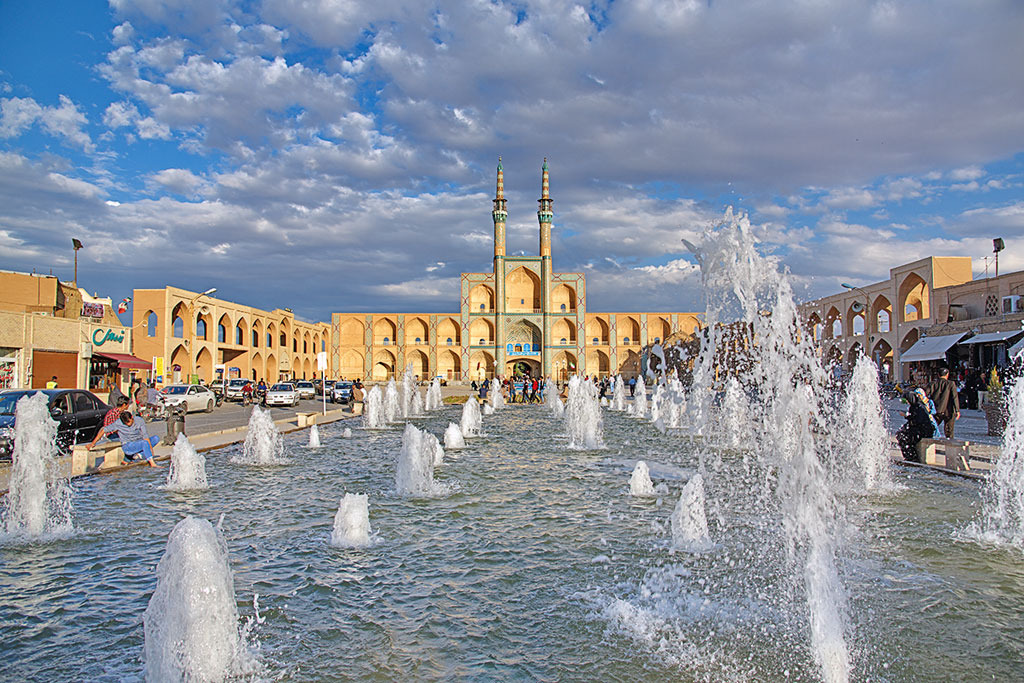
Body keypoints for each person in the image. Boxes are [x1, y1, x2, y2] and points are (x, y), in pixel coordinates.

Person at [896, 388, 937, 462]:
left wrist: (907, 417)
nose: (907, 403)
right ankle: (909, 455)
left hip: (924, 430)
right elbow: (913, 419)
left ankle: (912, 456)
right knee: (902, 434)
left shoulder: (919, 407)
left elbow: (918, 420)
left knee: (906, 437)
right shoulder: (915, 406)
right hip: (920, 428)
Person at [926, 366, 960, 439]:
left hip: (936, 409)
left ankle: (929, 444)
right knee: (949, 431)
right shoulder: (951, 384)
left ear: (938, 375)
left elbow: (924, 394)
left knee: (931, 428)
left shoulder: (932, 384)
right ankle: (950, 447)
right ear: (947, 374)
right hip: (948, 410)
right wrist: (957, 410)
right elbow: (955, 397)